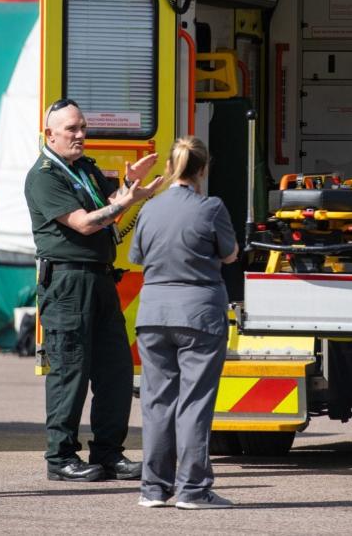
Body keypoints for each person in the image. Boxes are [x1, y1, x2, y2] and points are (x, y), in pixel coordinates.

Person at [25, 99, 161, 482]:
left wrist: (128, 187)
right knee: (70, 371)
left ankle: (108, 453)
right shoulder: (45, 176)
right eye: (72, 129)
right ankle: (60, 457)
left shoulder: (83, 168)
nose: (81, 135)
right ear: (50, 134)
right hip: (68, 283)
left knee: (115, 370)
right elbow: (85, 223)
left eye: (83, 127)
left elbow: (112, 205)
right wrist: (127, 201)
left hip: (100, 278)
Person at [128, 137, 239, 510]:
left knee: (157, 402)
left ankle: (153, 489)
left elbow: (139, 256)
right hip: (199, 314)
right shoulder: (211, 207)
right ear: (202, 169)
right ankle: (192, 490)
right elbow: (229, 254)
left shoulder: (149, 209)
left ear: (172, 167)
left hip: (154, 315)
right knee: (194, 403)